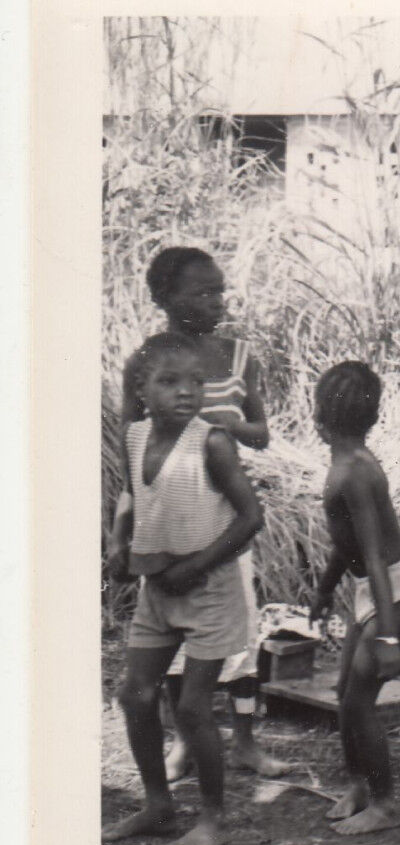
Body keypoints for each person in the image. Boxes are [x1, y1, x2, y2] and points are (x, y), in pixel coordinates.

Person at [117, 247, 287, 780]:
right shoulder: (147, 363)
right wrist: (124, 530)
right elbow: (130, 445)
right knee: (170, 636)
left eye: (220, 290)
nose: (218, 301)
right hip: (166, 520)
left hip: (225, 517)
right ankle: (186, 742)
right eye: (203, 292)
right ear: (166, 299)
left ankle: (244, 741)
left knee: (235, 633)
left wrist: (220, 426)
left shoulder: (239, 357)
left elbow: (261, 434)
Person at [104, 333, 264, 845]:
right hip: (158, 589)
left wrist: (194, 566)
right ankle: (157, 803)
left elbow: (249, 518)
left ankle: (213, 819)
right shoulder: (134, 437)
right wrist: (120, 543)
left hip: (209, 587)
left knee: (193, 706)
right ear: (141, 390)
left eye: (196, 381)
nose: (186, 392)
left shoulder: (212, 443)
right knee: (135, 693)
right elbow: (137, 497)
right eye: (169, 381)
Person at [307, 362, 400, 836]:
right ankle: (359, 785)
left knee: (360, 701)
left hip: (397, 589)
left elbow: (377, 557)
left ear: (318, 417)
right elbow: (349, 546)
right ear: (374, 418)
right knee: (346, 695)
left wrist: (386, 637)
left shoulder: (356, 472)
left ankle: (384, 803)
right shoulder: (346, 464)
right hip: (375, 589)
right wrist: (323, 590)